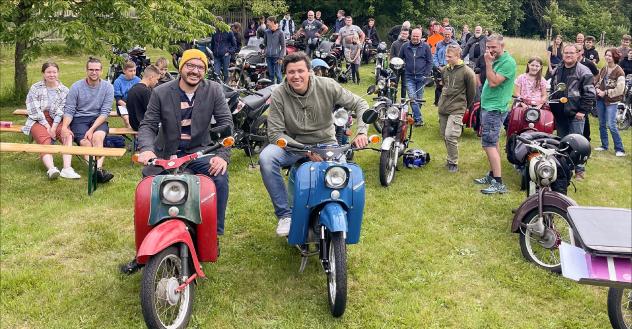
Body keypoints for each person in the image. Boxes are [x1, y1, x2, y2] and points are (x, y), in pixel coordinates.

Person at [258, 52, 369, 236]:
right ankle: (285, 215)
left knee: (343, 177)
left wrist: (362, 131)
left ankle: (341, 216)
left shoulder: (327, 85)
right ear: (285, 73)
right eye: (291, 72)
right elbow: (275, 133)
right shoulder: (278, 93)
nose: (296, 76)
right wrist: (306, 150)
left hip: (327, 144)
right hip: (293, 146)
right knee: (266, 158)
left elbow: (360, 103)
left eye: (300, 71)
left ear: (310, 71)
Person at [137, 49, 234, 235]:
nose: (195, 71)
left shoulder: (213, 90)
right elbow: (148, 124)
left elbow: (225, 124)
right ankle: (151, 233)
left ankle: (213, 233)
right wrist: (147, 149)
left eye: (200, 67)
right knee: (148, 186)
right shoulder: (160, 92)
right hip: (167, 152)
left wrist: (222, 155)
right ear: (181, 67)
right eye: (190, 65)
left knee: (220, 177)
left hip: (200, 152)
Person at [473, 34, 516, 194]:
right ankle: (492, 175)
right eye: (488, 47)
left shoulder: (508, 63)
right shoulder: (497, 60)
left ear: (502, 46)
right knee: (494, 141)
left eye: (494, 48)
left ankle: (498, 183)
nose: (490, 51)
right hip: (489, 106)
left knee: (489, 144)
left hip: (495, 108)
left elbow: (492, 82)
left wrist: (488, 64)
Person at [61, 57, 115, 183]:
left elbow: (105, 112)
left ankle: (98, 170)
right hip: (79, 119)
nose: (94, 72)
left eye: (97, 69)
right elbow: (69, 110)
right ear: (86, 70)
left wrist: (92, 129)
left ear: (101, 71)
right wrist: (64, 127)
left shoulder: (108, 87)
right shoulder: (76, 87)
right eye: (91, 69)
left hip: (98, 119)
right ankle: (95, 171)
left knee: (97, 138)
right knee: (86, 143)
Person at [23, 62, 80, 180]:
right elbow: (34, 109)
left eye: (54, 72)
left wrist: (53, 127)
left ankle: (67, 169)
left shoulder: (64, 90)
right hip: (37, 119)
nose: (51, 75)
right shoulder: (35, 88)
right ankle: (51, 169)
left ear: (58, 73)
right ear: (43, 74)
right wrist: (47, 127)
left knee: (67, 135)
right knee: (45, 138)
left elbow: (61, 111)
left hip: (56, 119)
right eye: (48, 72)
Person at [549, 43, 596, 180]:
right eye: (566, 53)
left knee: (577, 143)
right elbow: (553, 87)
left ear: (578, 54)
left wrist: (583, 111)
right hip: (560, 112)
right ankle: (564, 167)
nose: (568, 55)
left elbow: (590, 94)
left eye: (571, 53)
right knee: (562, 142)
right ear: (562, 54)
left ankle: (579, 170)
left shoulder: (584, 71)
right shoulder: (558, 69)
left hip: (576, 113)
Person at [437, 45, 476, 173]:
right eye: (446, 56)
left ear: (458, 56)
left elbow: (471, 93)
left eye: (450, 56)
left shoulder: (467, 72)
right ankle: (449, 159)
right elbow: (444, 85)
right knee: (444, 135)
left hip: (457, 108)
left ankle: (453, 162)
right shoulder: (444, 70)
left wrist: (465, 107)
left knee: (451, 135)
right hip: (443, 107)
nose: (447, 59)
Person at [594, 48, 626, 157]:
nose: (607, 57)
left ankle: (619, 149)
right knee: (602, 124)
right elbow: (598, 81)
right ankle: (604, 145)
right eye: (606, 55)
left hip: (612, 102)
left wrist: (606, 92)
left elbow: (620, 89)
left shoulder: (619, 71)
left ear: (615, 57)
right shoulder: (604, 68)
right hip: (600, 100)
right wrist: (597, 89)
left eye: (610, 56)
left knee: (611, 125)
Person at [398, 28, 433, 126]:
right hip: (409, 77)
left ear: (421, 37)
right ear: (411, 36)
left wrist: (426, 74)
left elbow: (430, 61)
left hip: (421, 77)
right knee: (412, 98)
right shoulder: (405, 46)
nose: (415, 38)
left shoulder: (426, 47)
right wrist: (400, 67)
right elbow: (399, 59)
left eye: (417, 36)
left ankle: (415, 116)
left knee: (419, 99)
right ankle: (418, 120)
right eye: (414, 36)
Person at [126, 65, 160, 131]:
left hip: (134, 124)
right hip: (144, 126)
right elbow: (152, 112)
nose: (157, 82)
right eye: (157, 79)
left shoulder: (133, 88)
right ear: (151, 77)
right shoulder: (145, 91)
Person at [433, 29, 459, 105]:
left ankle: (449, 102)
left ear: (451, 34)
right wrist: (438, 66)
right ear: (443, 35)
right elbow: (435, 56)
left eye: (448, 34)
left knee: (449, 85)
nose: (447, 36)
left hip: (450, 68)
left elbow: (457, 56)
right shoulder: (438, 44)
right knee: (439, 86)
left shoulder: (455, 44)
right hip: (440, 68)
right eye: (445, 34)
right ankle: (437, 102)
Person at [113, 60, 140, 128]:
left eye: (134, 70)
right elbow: (118, 99)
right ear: (124, 71)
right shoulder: (118, 82)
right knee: (127, 119)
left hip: (135, 104)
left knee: (139, 119)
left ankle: (137, 136)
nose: (133, 73)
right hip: (122, 105)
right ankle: (134, 135)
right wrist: (128, 106)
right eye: (130, 71)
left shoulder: (138, 80)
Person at [210, 16, 237, 83]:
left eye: (216, 22)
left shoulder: (229, 32)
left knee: (225, 73)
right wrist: (213, 52)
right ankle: (217, 89)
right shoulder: (214, 32)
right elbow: (212, 43)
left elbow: (234, 45)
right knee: (216, 74)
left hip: (225, 56)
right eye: (215, 23)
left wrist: (229, 52)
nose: (215, 24)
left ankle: (226, 87)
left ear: (221, 23)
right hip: (216, 56)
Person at [263, 16, 286, 84]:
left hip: (277, 57)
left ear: (273, 22)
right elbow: (265, 43)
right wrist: (264, 50)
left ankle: (280, 89)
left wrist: (281, 58)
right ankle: (271, 91)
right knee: (271, 75)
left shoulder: (280, 32)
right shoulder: (267, 32)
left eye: (268, 22)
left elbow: (283, 46)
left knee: (278, 75)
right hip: (268, 57)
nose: (267, 23)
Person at [390, 28, 410, 99]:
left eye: (406, 34)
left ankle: (403, 100)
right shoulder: (395, 43)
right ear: (400, 34)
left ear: (408, 35)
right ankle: (393, 98)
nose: (404, 35)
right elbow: (391, 55)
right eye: (403, 34)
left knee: (404, 85)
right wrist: (394, 62)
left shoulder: (410, 44)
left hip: (405, 68)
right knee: (394, 83)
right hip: (395, 68)